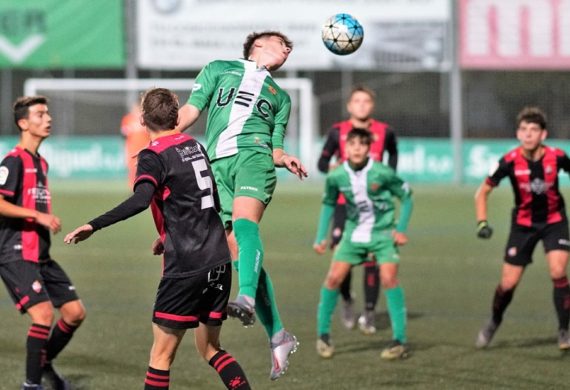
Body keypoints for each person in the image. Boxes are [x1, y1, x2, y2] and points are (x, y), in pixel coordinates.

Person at [64, 88, 251, 390]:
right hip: (217, 259)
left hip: (187, 265)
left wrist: (93, 225)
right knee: (211, 348)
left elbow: (140, 200)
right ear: (177, 115)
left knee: (161, 356)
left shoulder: (152, 156)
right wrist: (167, 234)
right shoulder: (194, 144)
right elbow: (209, 200)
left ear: (141, 119)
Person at [176, 31, 307, 380]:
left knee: (247, 225)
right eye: (282, 43)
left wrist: (284, 158)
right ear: (258, 45)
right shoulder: (219, 68)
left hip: (254, 158)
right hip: (216, 163)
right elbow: (192, 108)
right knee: (236, 249)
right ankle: (278, 334)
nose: (288, 49)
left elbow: (276, 146)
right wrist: (164, 136)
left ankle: (246, 298)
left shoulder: (281, 97)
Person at [0, 96, 86, 390]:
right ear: (24, 123)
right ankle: (32, 385)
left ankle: (43, 362)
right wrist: (37, 215)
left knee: (75, 313)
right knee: (44, 315)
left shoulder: (41, 162)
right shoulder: (13, 160)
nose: (47, 118)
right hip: (15, 253)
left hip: (41, 254)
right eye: (40, 114)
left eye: (48, 113)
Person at [474, 106, 570, 350]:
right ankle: (494, 321)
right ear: (518, 134)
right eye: (524, 129)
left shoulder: (557, 156)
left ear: (543, 135)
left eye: (534, 129)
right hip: (523, 226)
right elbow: (482, 192)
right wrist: (482, 222)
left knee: (558, 271)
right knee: (507, 284)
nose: (528, 134)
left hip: (554, 222)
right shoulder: (508, 161)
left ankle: (564, 330)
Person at [313, 128, 413, 360]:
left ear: (369, 148)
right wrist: (320, 236)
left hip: (382, 233)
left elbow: (407, 197)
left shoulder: (382, 172)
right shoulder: (336, 176)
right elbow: (328, 203)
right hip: (353, 234)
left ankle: (399, 341)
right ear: (345, 148)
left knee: (389, 278)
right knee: (333, 279)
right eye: (352, 143)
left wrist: (401, 230)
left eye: (362, 144)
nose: (357, 148)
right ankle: (323, 336)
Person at [317, 85, 398, 334]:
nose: (361, 105)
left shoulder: (385, 131)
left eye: (366, 101)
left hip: (375, 209)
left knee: (373, 258)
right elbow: (322, 162)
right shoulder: (337, 132)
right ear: (349, 106)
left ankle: (370, 312)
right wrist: (335, 172)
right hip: (345, 206)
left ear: (372, 106)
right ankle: (348, 301)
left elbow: (393, 155)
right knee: (341, 256)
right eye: (357, 101)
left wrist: (387, 178)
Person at [120, 103, 150, 188]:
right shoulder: (127, 119)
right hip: (132, 150)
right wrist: (125, 150)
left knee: (146, 170)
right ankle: (134, 189)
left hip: (145, 150)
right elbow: (124, 136)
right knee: (133, 171)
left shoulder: (146, 120)